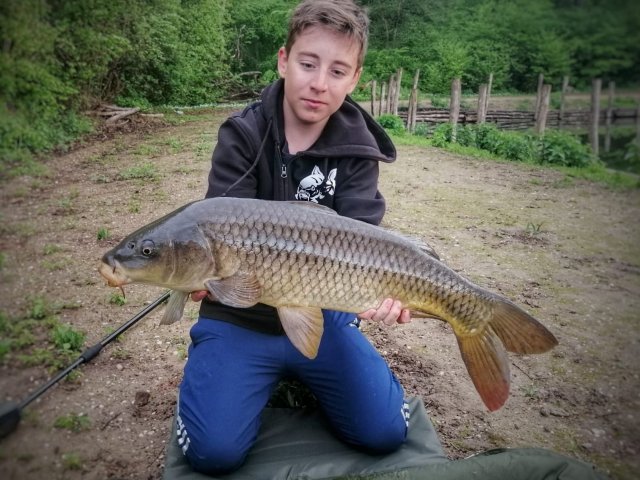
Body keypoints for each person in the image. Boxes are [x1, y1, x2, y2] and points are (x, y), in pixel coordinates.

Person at [177, 0, 411, 474]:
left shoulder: (358, 151)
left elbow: (366, 244)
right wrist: (204, 280)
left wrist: (384, 298)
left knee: (385, 433)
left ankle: (313, 371)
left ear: (355, 78)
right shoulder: (243, 134)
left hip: (326, 313)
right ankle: (234, 371)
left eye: (337, 71)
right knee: (213, 453)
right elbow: (218, 231)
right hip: (239, 318)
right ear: (284, 61)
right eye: (308, 64)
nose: (319, 83)